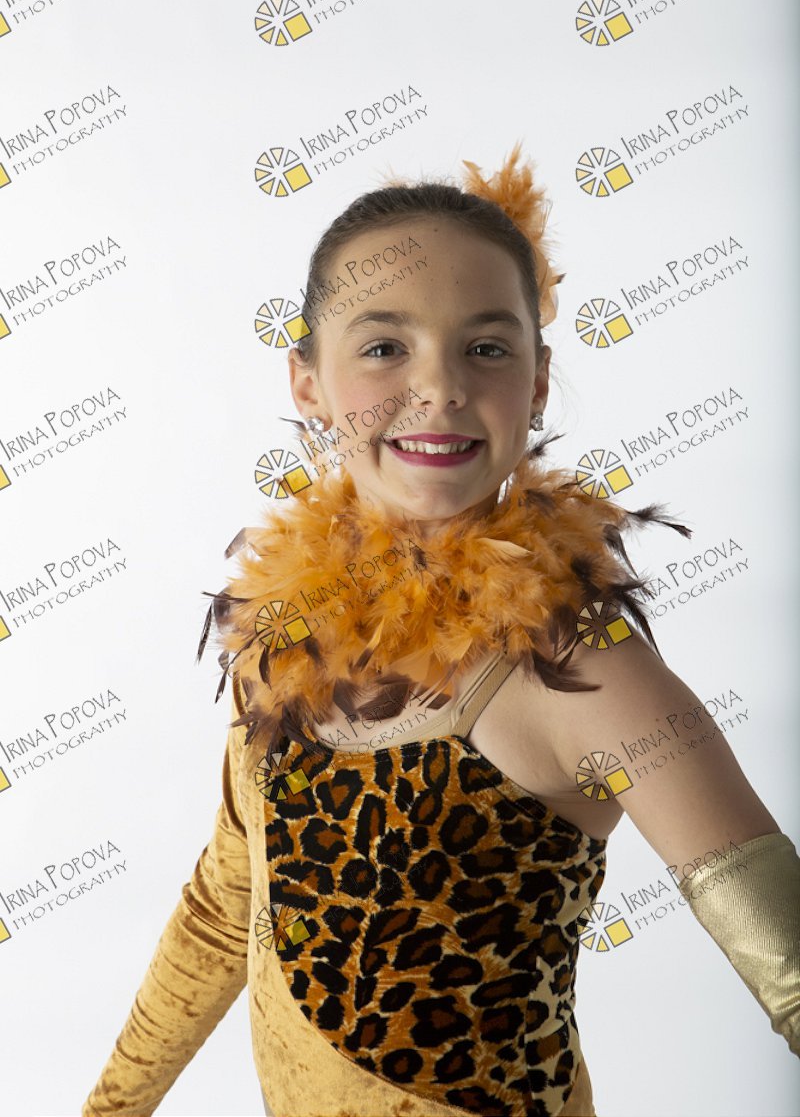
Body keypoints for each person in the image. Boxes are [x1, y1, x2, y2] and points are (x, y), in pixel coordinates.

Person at [81, 145, 800, 1117]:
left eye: (487, 348)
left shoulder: (582, 669)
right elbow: (224, 910)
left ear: (537, 382)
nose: (440, 387)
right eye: (385, 347)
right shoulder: (282, 632)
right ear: (306, 381)